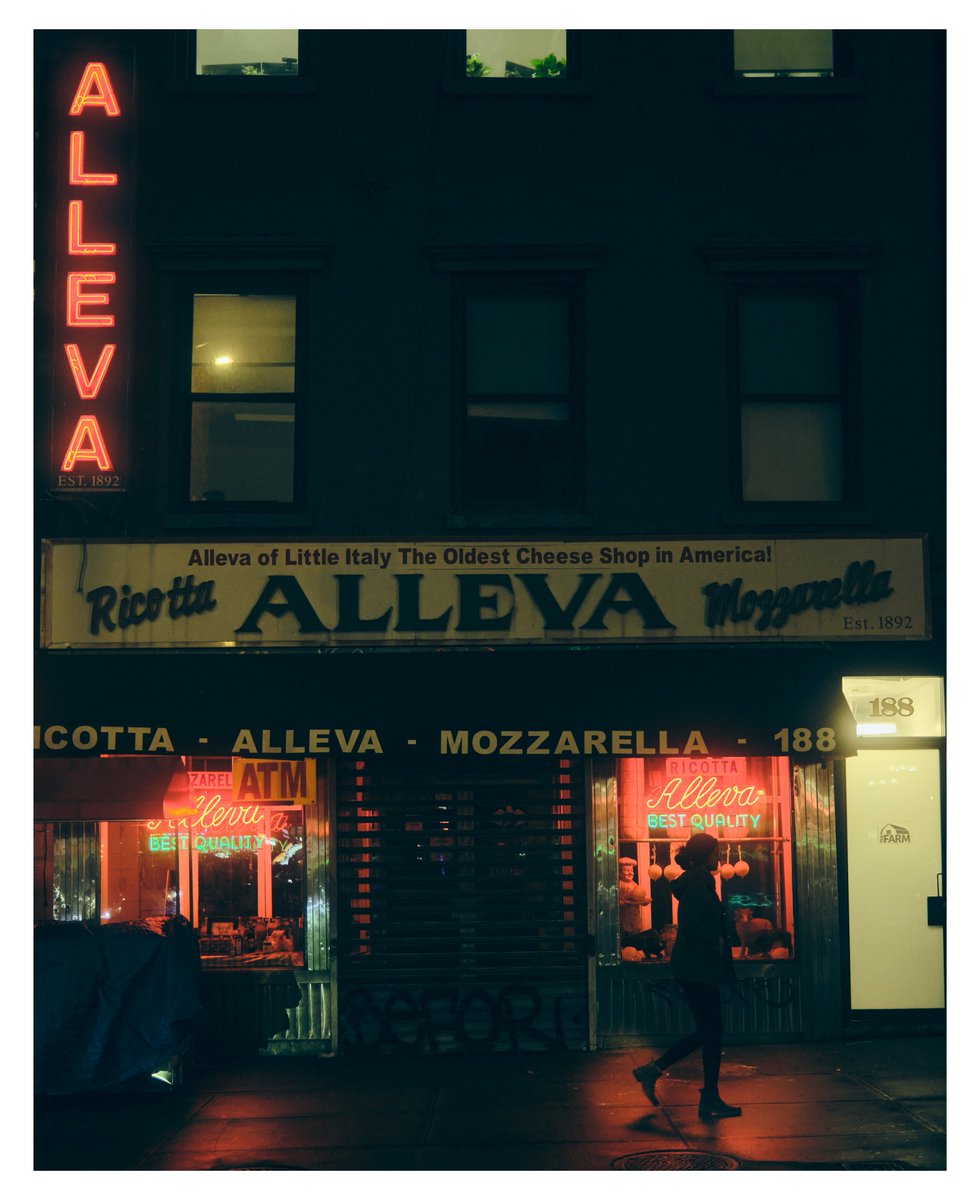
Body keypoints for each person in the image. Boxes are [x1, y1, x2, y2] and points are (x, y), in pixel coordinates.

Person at [632, 832, 742, 1119]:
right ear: (705, 855)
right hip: (698, 968)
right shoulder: (696, 885)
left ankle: (656, 1072)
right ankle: (708, 1098)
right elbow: (695, 926)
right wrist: (715, 943)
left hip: (697, 967)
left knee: (707, 1031)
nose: (718, 857)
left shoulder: (699, 882)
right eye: (715, 852)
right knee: (711, 1031)